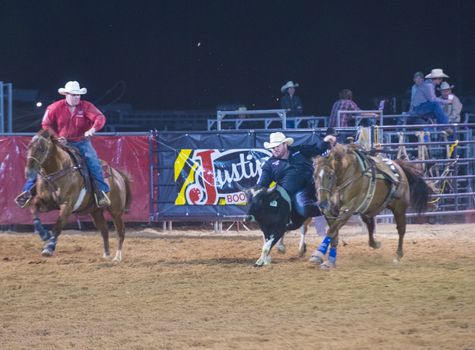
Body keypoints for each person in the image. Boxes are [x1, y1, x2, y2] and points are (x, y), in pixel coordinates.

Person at [15, 81, 111, 208]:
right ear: (66, 94)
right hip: (60, 142)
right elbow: (46, 124)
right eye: (73, 94)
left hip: (81, 142)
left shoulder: (86, 106)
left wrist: (92, 129)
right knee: (41, 161)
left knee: (92, 161)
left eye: (78, 95)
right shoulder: (54, 107)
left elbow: (100, 118)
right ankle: (26, 192)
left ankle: (101, 192)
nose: (76, 97)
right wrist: (57, 137)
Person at [256, 131, 336, 237]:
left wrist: (326, 141)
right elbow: (262, 184)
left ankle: (332, 209)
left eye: (277, 146)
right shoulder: (269, 165)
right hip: (292, 196)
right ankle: (330, 209)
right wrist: (256, 193)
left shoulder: (299, 151)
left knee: (305, 205)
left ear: (285, 144)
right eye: (272, 147)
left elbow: (317, 148)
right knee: (302, 208)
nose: (274, 149)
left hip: (313, 187)